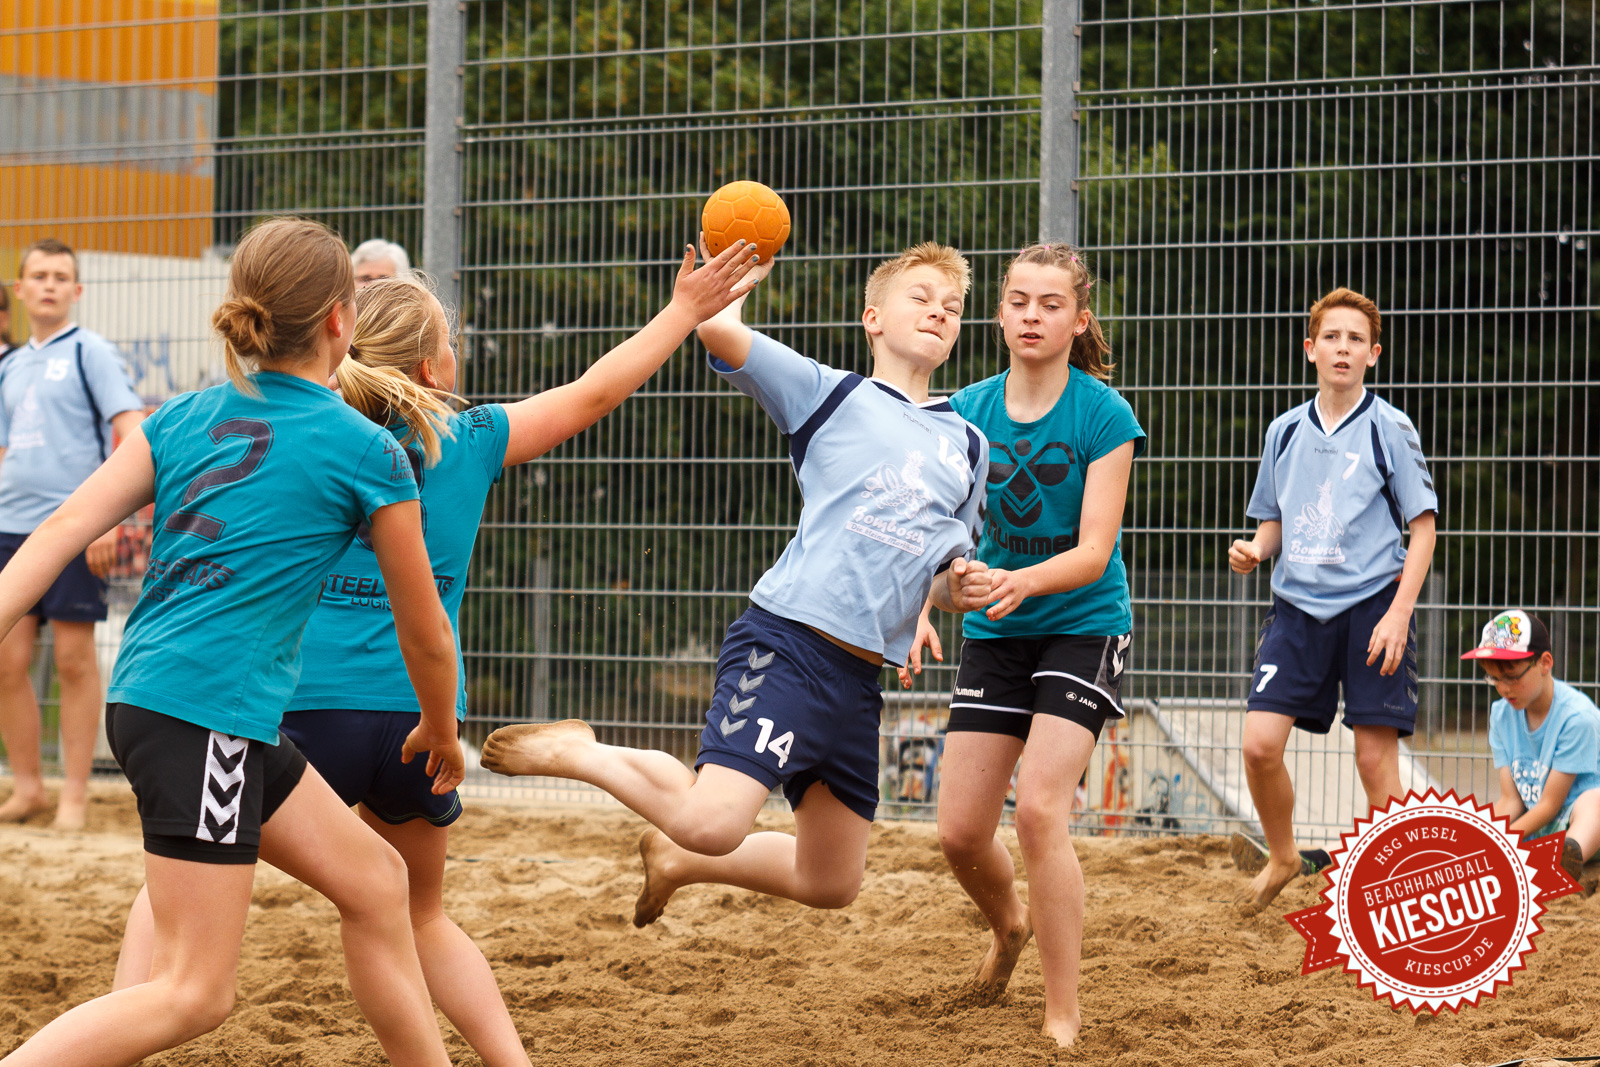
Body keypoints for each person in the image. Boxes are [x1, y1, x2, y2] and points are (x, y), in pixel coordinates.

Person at [112, 241, 763, 1067]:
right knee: (414, 915)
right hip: (419, 724)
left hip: (299, 714)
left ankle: (120, 1028)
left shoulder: (316, 435)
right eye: (451, 339)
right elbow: (596, 392)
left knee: (171, 888)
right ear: (432, 362)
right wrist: (683, 310)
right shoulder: (474, 435)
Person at [0, 216, 465, 1067]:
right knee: (195, 990)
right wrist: (440, 727)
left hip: (177, 702)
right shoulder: (368, 449)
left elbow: (64, 525)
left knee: (376, 881)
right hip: (203, 714)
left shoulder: (181, 418)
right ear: (339, 319)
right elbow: (425, 630)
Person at [480, 243, 992, 926]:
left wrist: (959, 585)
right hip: (789, 646)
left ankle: (677, 859)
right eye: (921, 296)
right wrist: (738, 282)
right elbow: (720, 332)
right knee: (715, 820)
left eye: (953, 307)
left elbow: (941, 576)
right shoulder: (830, 391)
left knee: (832, 879)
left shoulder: (969, 444)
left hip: (859, 679)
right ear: (872, 317)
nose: (939, 310)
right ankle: (581, 750)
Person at [896, 244, 1144, 1047]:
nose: (1032, 315)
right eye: (1018, 301)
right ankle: (1009, 927)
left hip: (1082, 622)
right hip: (999, 628)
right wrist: (927, 601)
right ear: (999, 314)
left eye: (1049, 303)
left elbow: (1094, 550)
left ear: (1078, 320)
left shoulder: (1103, 414)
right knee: (961, 832)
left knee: (1040, 808)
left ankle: (1062, 1014)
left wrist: (1016, 582)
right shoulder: (964, 412)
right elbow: (935, 540)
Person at [1227, 287, 1438, 916]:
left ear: (1373, 355)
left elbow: (1422, 527)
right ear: (1310, 349)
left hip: (1374, 605)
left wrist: (1399, 613)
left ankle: (1400, 886)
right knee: (1259, 744)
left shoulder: (1391, 428)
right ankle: (1285, 855)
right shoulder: (1284, 431)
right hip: (1297, 610)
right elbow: (1274, 520)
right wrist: (1256, 550)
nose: (1342, 348)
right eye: (1331, 338)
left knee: (1374, 756)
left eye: (1355, 340)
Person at [0, 238, 145, 829]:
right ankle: (28, 786)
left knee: (74, 661)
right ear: (20, 289)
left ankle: (75, 794)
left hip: (74, 529)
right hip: (11, 526)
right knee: (8, 664)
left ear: (77, 290)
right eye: (39, 275)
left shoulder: (92, 353)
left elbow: (132, 429)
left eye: (62, 276)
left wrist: (111, 519)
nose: (50, 284)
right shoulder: (8, 366)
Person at [1464, 609, 1600, 888]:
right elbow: (1511, 800)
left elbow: (1550, 804)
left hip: (1580, 826)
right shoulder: (1501, 715)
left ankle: (1568, 860)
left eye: (1512, 676)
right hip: (1537, 826)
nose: (1503, 688)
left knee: (1595, 800)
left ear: (1545, 663)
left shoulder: (1578, 717)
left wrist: (1500, 842)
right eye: (1493, 678)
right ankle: (1544, 858)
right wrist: (1483, 838)